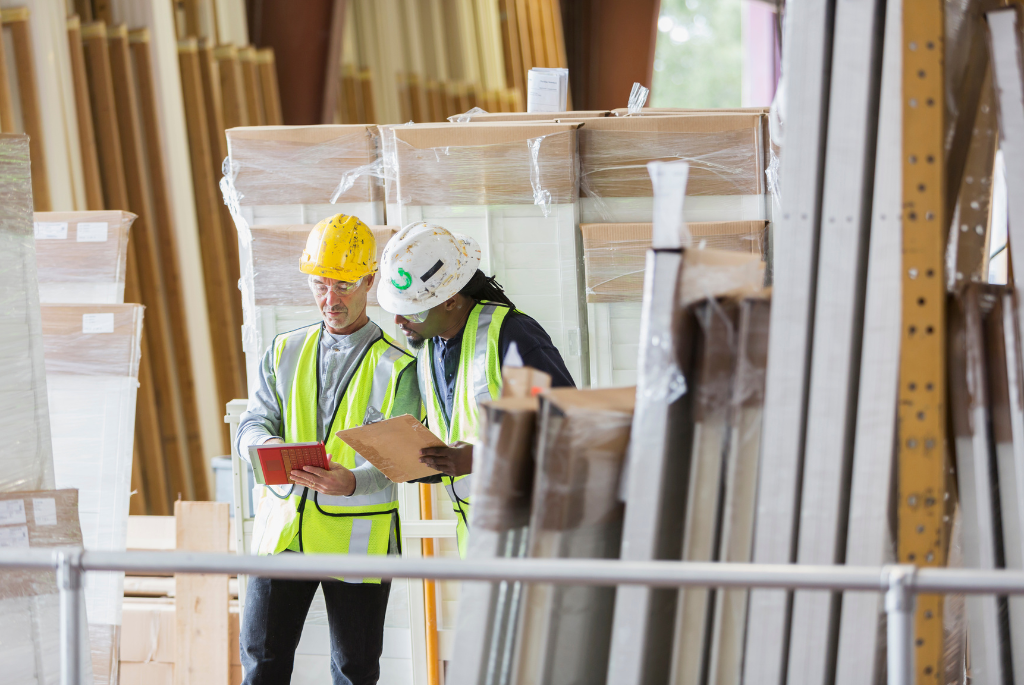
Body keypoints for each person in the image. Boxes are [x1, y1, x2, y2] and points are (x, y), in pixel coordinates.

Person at [235, 214, 419, 685]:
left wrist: (354, 480)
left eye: (342, 285)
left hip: (356, 541)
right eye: (320, 285)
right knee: (262, 662)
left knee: (354, 670)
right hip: (283, 535)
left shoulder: (397, 367)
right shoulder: (283, 350)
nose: (330, 300)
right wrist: (265, 443)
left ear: (369, 282)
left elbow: (402, 461)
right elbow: (252, 422)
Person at [376, 221, 575, 557]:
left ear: (451, 301)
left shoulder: (513, 337)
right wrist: (416, 461)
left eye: (412, 310)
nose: (399, 322)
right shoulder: (428, 349)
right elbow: (458, 442)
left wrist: (478, 458)